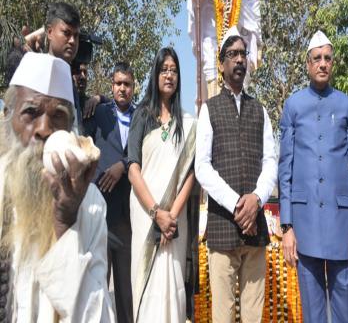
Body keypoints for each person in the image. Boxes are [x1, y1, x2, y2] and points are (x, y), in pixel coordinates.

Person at [0, 52, 115, 321]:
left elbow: (98, 317)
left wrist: (65, 222)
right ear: (9, 118)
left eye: (58, 116)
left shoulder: (91, 202)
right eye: (31, 112)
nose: (44, 129)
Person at [278, 31, 348, 322]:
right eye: (317, 58)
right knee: (313, 314)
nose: (323, 64)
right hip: (304, 226)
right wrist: (287, 226)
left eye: (328, 58)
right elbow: (286, 168)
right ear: (307, 64)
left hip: (342, 225)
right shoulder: (293, 106)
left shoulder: (346, 106)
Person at [195, 29, 277, 323]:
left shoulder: (260, 110)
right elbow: (202, 166)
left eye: (243, 54)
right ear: (221, 64)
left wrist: (255, 200)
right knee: (223, 314)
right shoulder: (209, 109)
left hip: (255, 228)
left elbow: (271, 161)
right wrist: (237, 205)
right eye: (232, 54)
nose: (239, 60)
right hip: (223, 227)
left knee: (254, 314)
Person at [127, 47, 196, 322]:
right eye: (164, 69)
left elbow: (190, 174)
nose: (169, 75)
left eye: (174, 70)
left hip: (174, 226)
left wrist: (172, 217)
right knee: (147, 288)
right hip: (147, 217)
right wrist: (157, 213)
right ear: (155, 74)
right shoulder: (142, 116)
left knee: (172, 291)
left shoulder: (187, 123)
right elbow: (133, 169)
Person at [83, 61, 137, 323]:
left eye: (127, 84)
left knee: (126, 291)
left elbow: (144, 155)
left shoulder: (143, 117)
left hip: (128, 218)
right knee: (98, 287)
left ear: (134, 86)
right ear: (111, 85)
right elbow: (81, 142)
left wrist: (123, 166)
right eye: (118, 84)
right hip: (99, 214)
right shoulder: (99, 113)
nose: (122, 89)